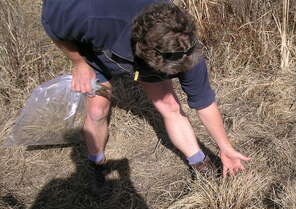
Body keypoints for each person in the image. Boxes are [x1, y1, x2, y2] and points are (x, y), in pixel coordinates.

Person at [41, 0, 251, 191]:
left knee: (170, 106)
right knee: (97, 110)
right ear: (145, 49)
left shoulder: (184, 47)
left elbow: (204, 104)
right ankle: (97, 163)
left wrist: (226, 148)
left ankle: (199, 163)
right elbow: (51, 23)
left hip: (145, 62)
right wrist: (78, 63)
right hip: (95, 55)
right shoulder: (92, 15)